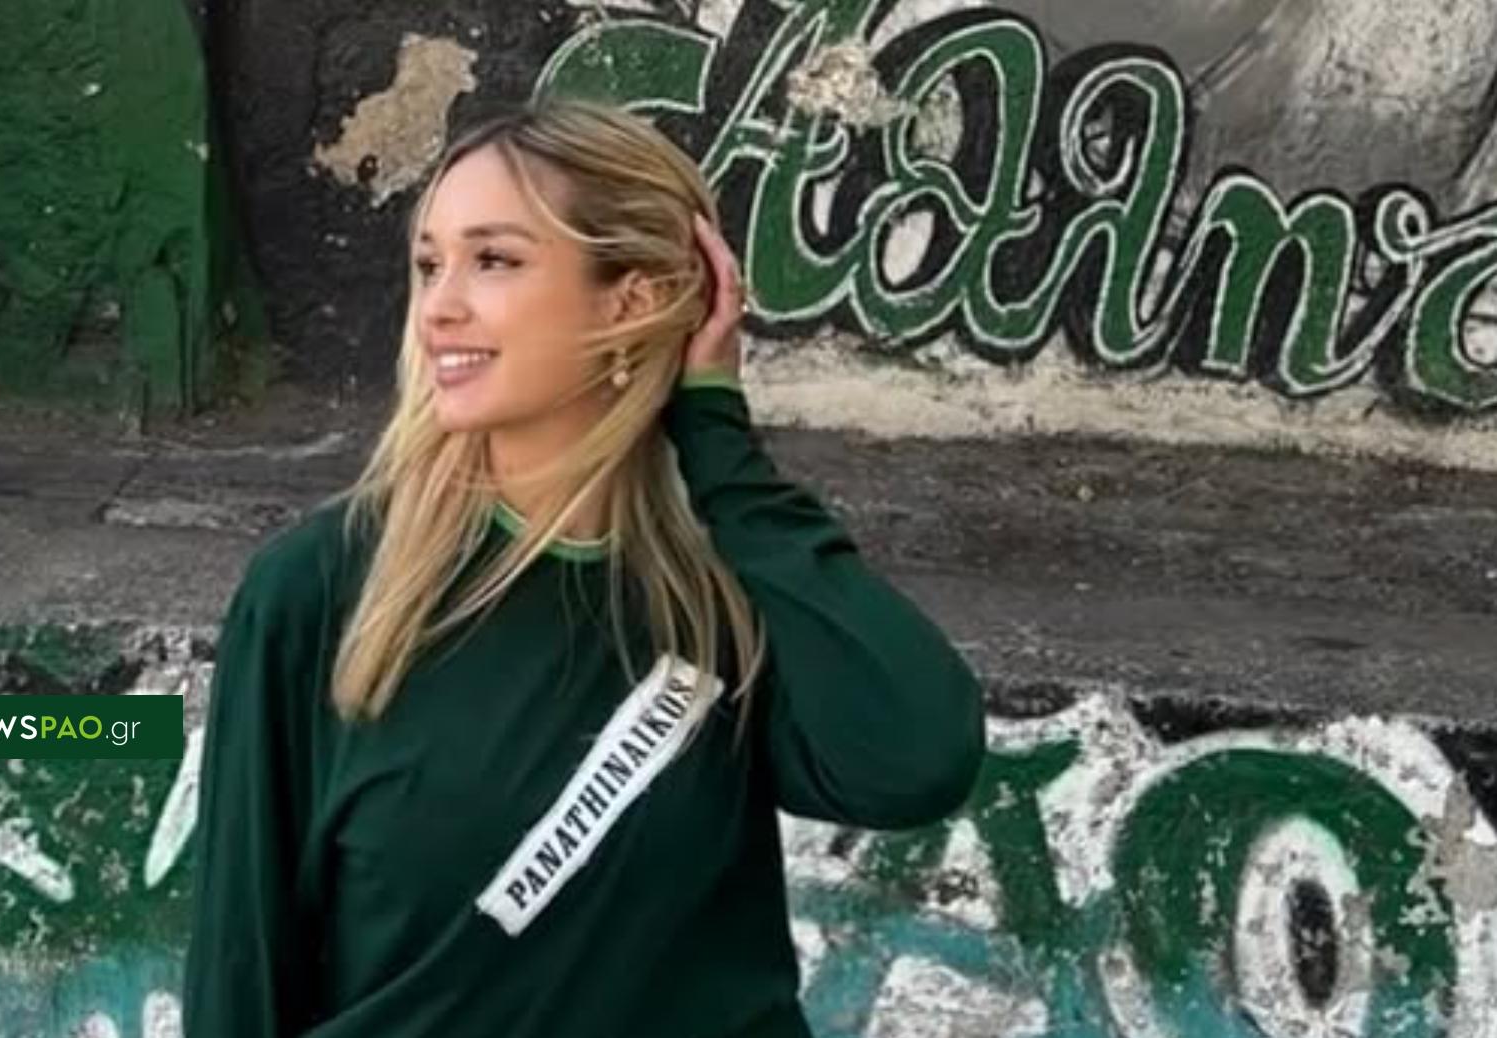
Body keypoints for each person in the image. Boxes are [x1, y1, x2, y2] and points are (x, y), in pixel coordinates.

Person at [182, 97, 985, 1038]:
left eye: (495, 260)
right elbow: (240, 970)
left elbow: (916, 760)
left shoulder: (725, 594)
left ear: (633, 299)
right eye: (431, 263)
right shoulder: (325, 588)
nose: (440, 306)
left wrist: (720, 443)